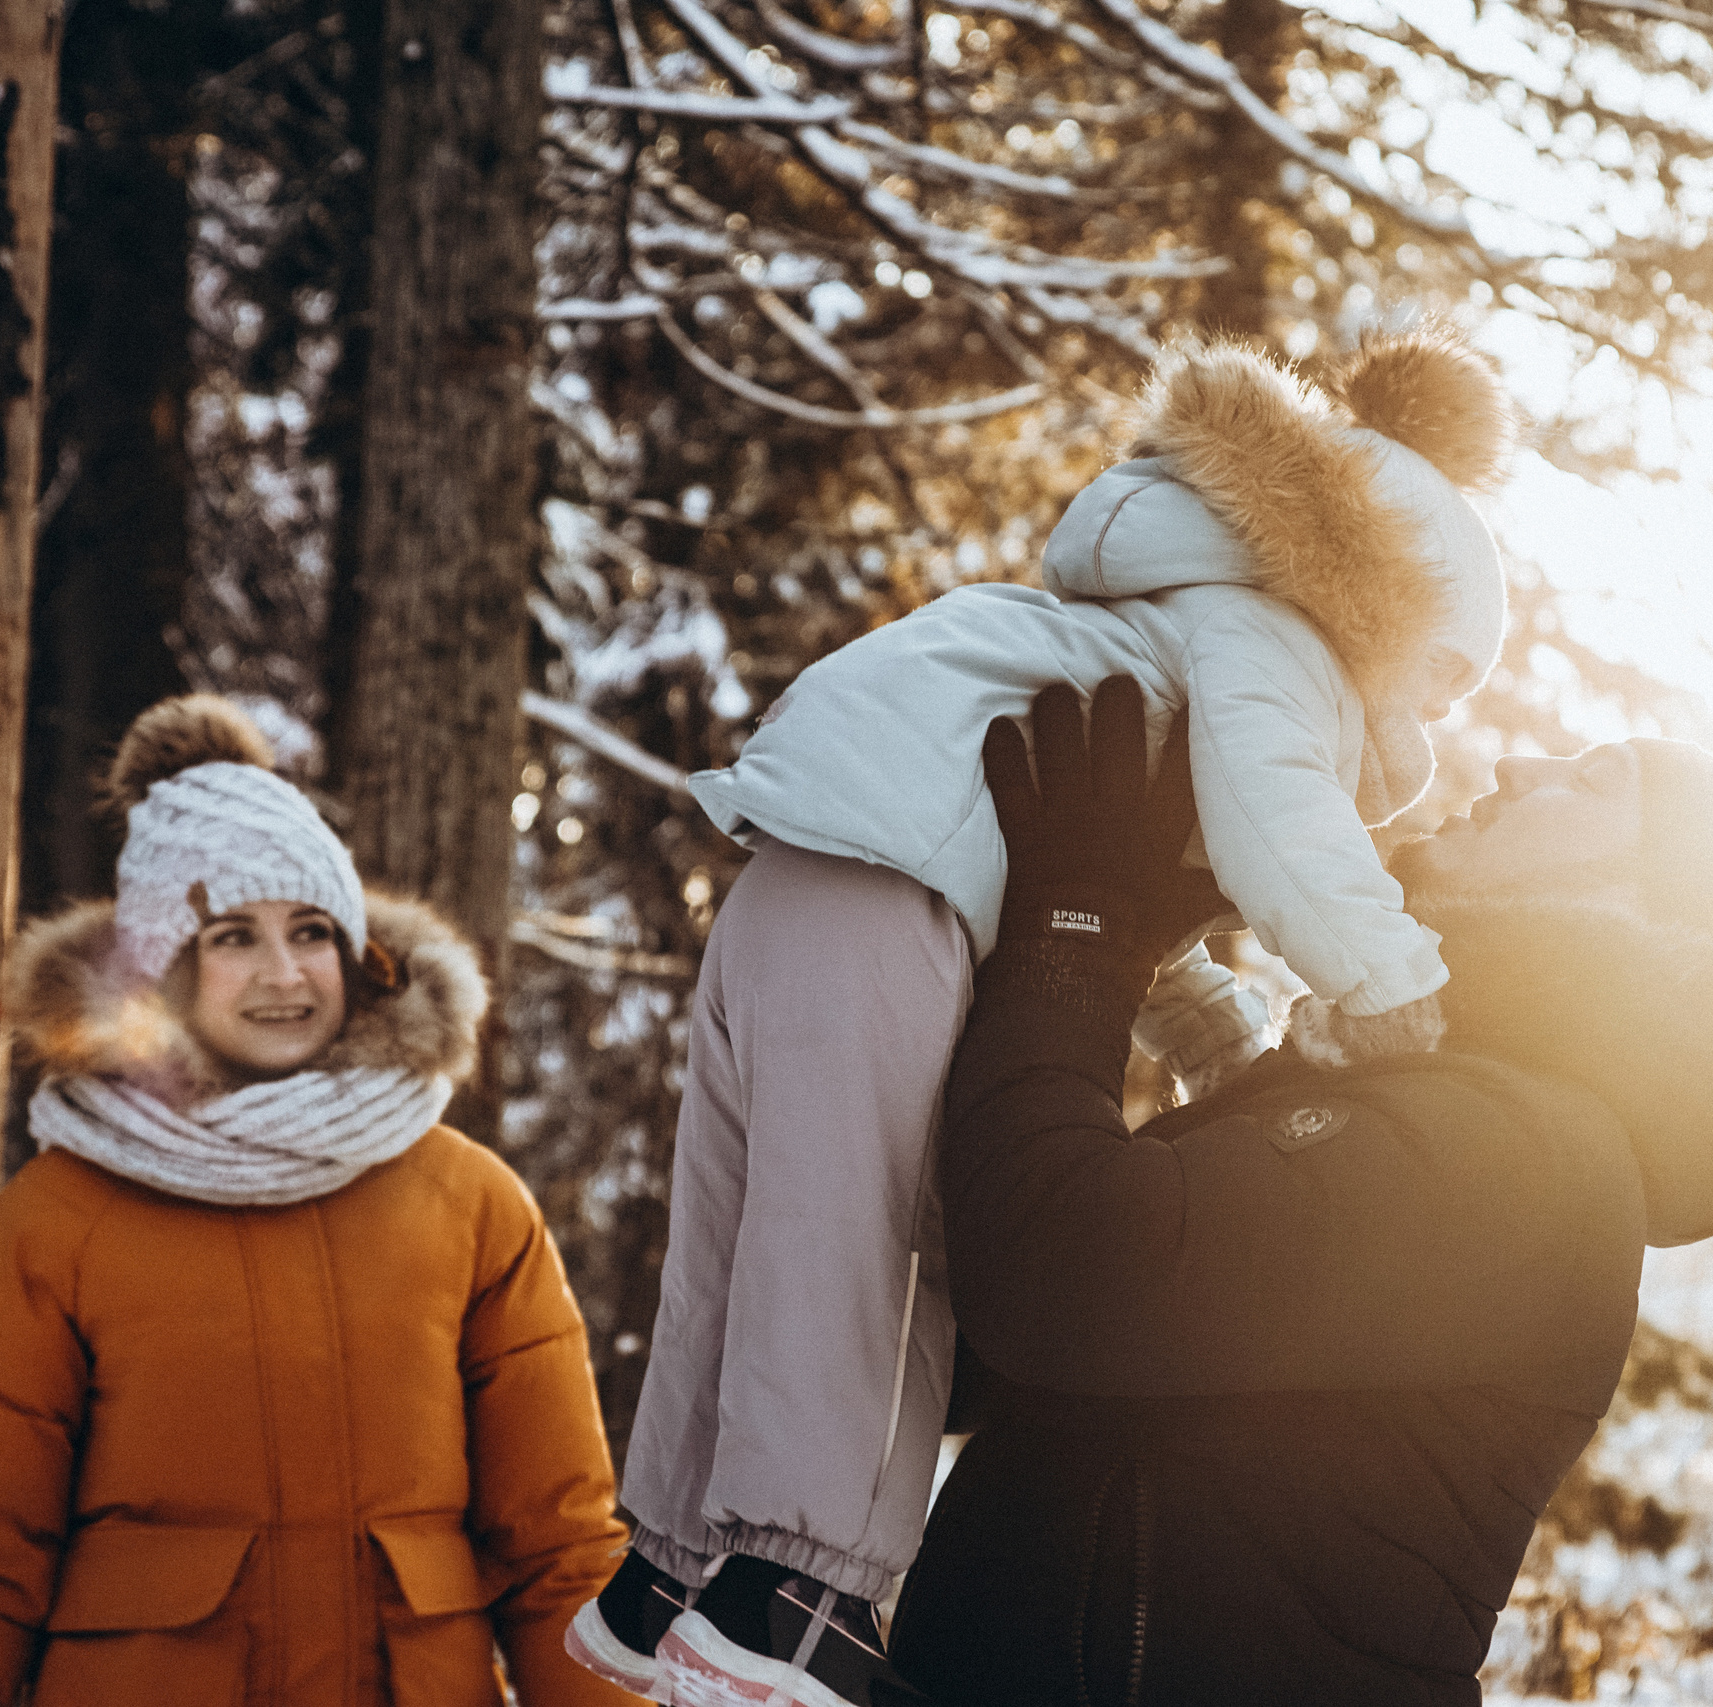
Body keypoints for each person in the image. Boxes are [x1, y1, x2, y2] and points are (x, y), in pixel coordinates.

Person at [574, 330, 1524, 1706]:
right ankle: (792, 1597)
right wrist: (1392, 981)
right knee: (879, 1245)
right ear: (1382, 597)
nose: (1433, 711)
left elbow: (1108, 894)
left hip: (800, 876)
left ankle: (663, 1572)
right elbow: (1280, 824)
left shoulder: (1162, 620)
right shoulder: (1279, 640)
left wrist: (1209, 1029)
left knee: (747, 1239)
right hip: (898, 899)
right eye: (1445, 671)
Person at [882, 679, 1713, 1706]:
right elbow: (977, 1358)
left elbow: (1061, 1274)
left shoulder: (1531, 1159)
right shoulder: (1435, 1111)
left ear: (1646, 912)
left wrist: (1075, 930)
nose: (1521, 766)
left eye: (1589, 784)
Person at [0, 697, 633, 1707]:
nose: (283, 975)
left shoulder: (468, 1204)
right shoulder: (57, 1223)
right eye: (232, 936)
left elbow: (559, 1557)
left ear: (357, 953)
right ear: (164, 969)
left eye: (311, 931)